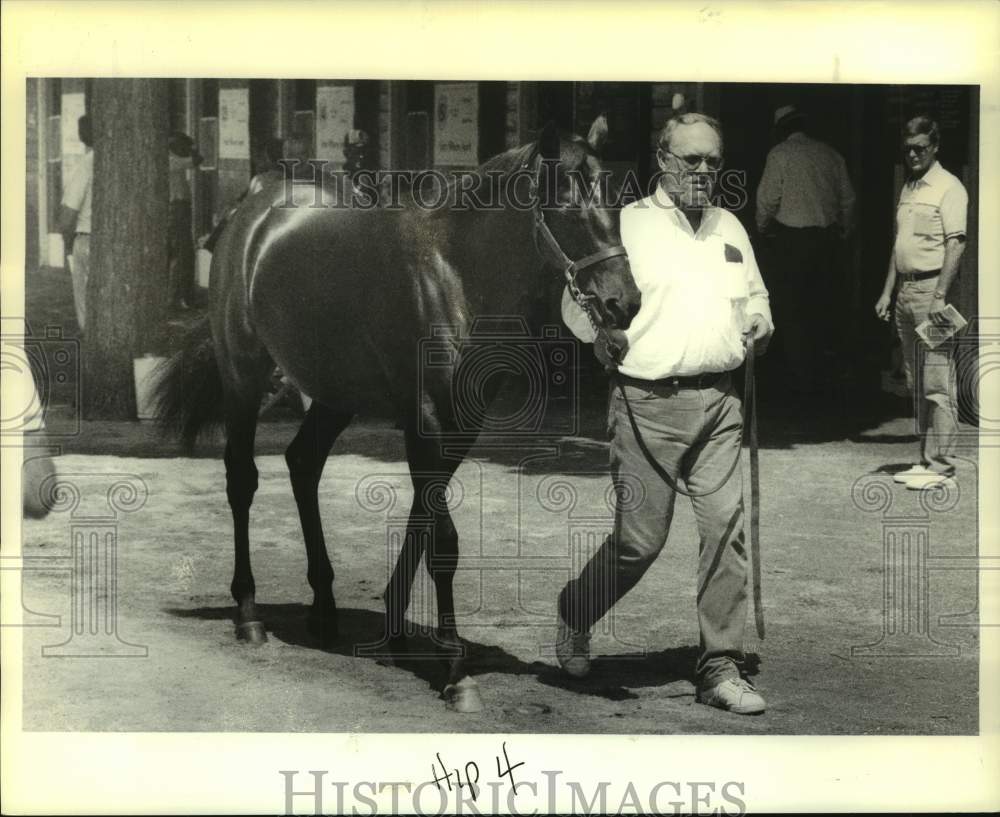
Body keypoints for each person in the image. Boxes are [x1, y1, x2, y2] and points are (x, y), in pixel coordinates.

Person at [557, 112, 774, 715]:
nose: (704, 171)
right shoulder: (625, 224)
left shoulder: (730, 225)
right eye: (691, 160)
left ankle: (719, 666)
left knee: (725, 530)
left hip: (722, 401)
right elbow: (577, 306)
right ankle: (575, 611)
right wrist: (598, 339)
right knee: (639, 543)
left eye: (713, 160)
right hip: (645, 404)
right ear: (663, 160)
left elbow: (755, 294)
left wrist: (759, 319)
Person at [874, 115, 968, 491]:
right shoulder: (910, 188)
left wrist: (941, 297)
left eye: (920, 148)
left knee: (938, 382)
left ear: (935, 147)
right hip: (907, 294)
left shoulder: (949, 187)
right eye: (908, 148)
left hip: (935, 294)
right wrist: (887, 291)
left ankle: (942, 466)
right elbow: (900, 246)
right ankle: (926, 459)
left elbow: (956, 244)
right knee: (915, 382)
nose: (913, 154)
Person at [755, 104, 855, 396]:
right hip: (826, 242)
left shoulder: (779, 154)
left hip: (792, 244)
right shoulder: (830, 154)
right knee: (823, 308)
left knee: (792, 311)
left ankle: (801, 382)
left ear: (781, 129)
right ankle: (823, 376)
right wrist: (844, 232)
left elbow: (767, 200)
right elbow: (848, 200)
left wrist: (762, 229)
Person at [58, 114, 93, 332]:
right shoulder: (121, 161)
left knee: (86, 304)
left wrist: (67, 242)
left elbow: (68, 214)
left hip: (88, 239)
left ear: (82, 136)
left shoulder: (86, 164)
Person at [167, 131, 203, 310]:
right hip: (176, 208)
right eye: (183, 147)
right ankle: (179, 297)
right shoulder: (171, 160)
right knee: (182, 254)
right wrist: (193, 147)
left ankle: (179, 296)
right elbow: (198, 159)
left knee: (181, 254)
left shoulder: (173, 159)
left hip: (179, 209)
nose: (186, 150)